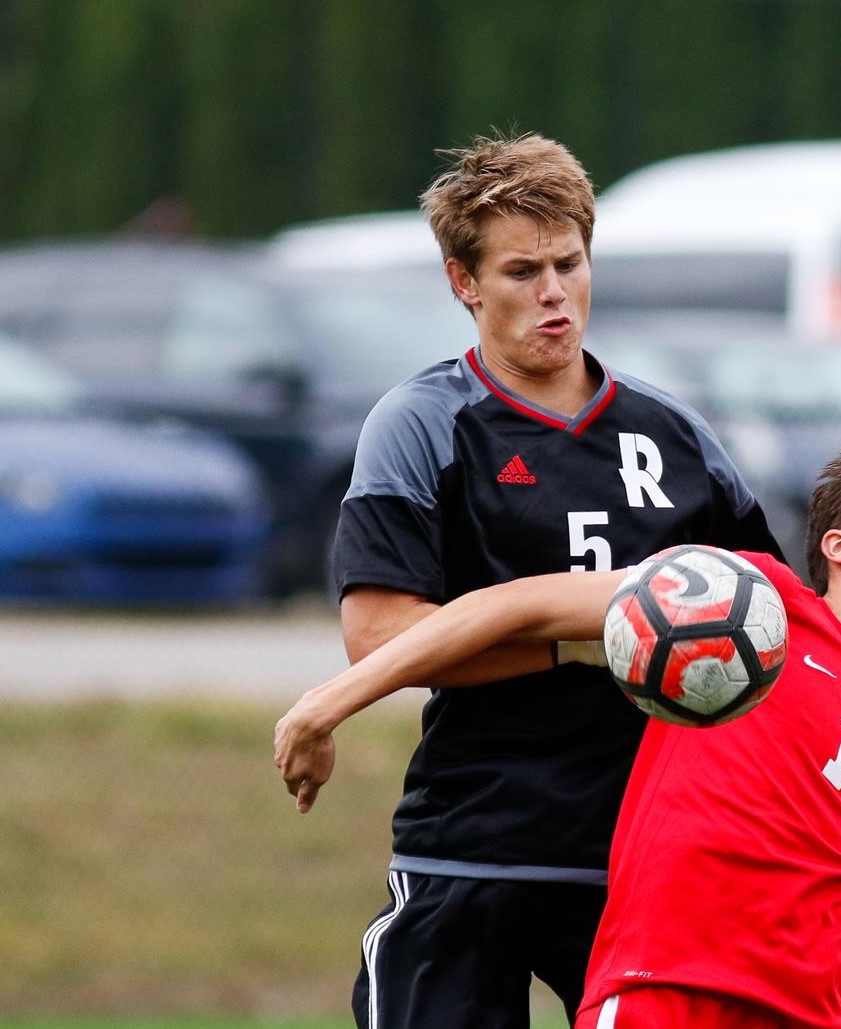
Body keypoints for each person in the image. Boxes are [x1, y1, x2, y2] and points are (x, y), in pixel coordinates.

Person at [279, 430, 841, 1029]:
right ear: (840, 544)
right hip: (664, 995)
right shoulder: (743, 604)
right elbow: (518, 605)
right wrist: (329, 702)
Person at [323, 131, 784, 1028]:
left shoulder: (677, 434)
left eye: (569, 264)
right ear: (463, 282)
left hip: (643, 860)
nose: (553, 294)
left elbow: (765, 616)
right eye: (521, 271)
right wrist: (594, 643)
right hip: (475, 845)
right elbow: (379, 638)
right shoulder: (424, 426)